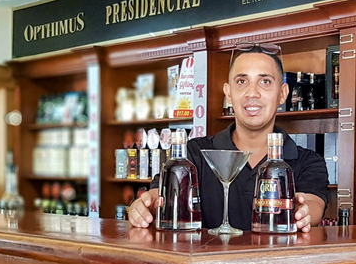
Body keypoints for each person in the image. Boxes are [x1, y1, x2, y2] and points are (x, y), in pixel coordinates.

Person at [128, 44, 329, 233]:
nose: (252, 93)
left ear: (283, 94)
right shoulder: (194, 154)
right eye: (242, 81)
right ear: (229, 93)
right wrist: (147, 204)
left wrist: (302, 212)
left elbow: (313, 204)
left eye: (265, 81)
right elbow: (159, 195)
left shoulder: (308, 162)